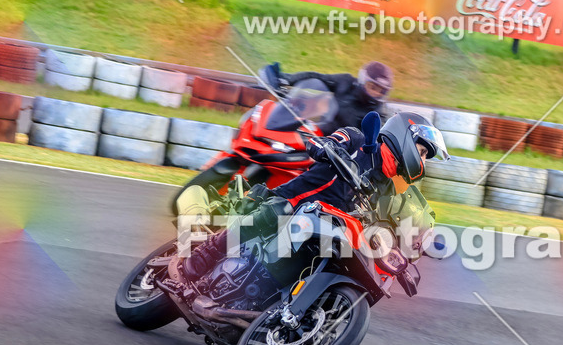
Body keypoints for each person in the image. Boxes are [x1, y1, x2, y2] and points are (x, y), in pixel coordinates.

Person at [180, 112, 448, 284]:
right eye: (423, 151)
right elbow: (321, 143)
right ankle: (206, 254)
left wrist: (412, 240)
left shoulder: (389, 188)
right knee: (277, 211)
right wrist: (329, 148)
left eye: (425, 157)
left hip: (327, 231)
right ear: (404, 136)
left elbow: (385, 222)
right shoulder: (358, 140)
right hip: (295, 203)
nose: (423, 160)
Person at [283, 61, 394, 135]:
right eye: (372, 87)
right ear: (363, 80)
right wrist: (286, 79)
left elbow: (370, 143)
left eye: (381, 91)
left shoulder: (378, 115)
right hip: (316, 134)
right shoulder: (345, 82)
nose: (375, 93)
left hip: (338, 157)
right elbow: (316, 78)